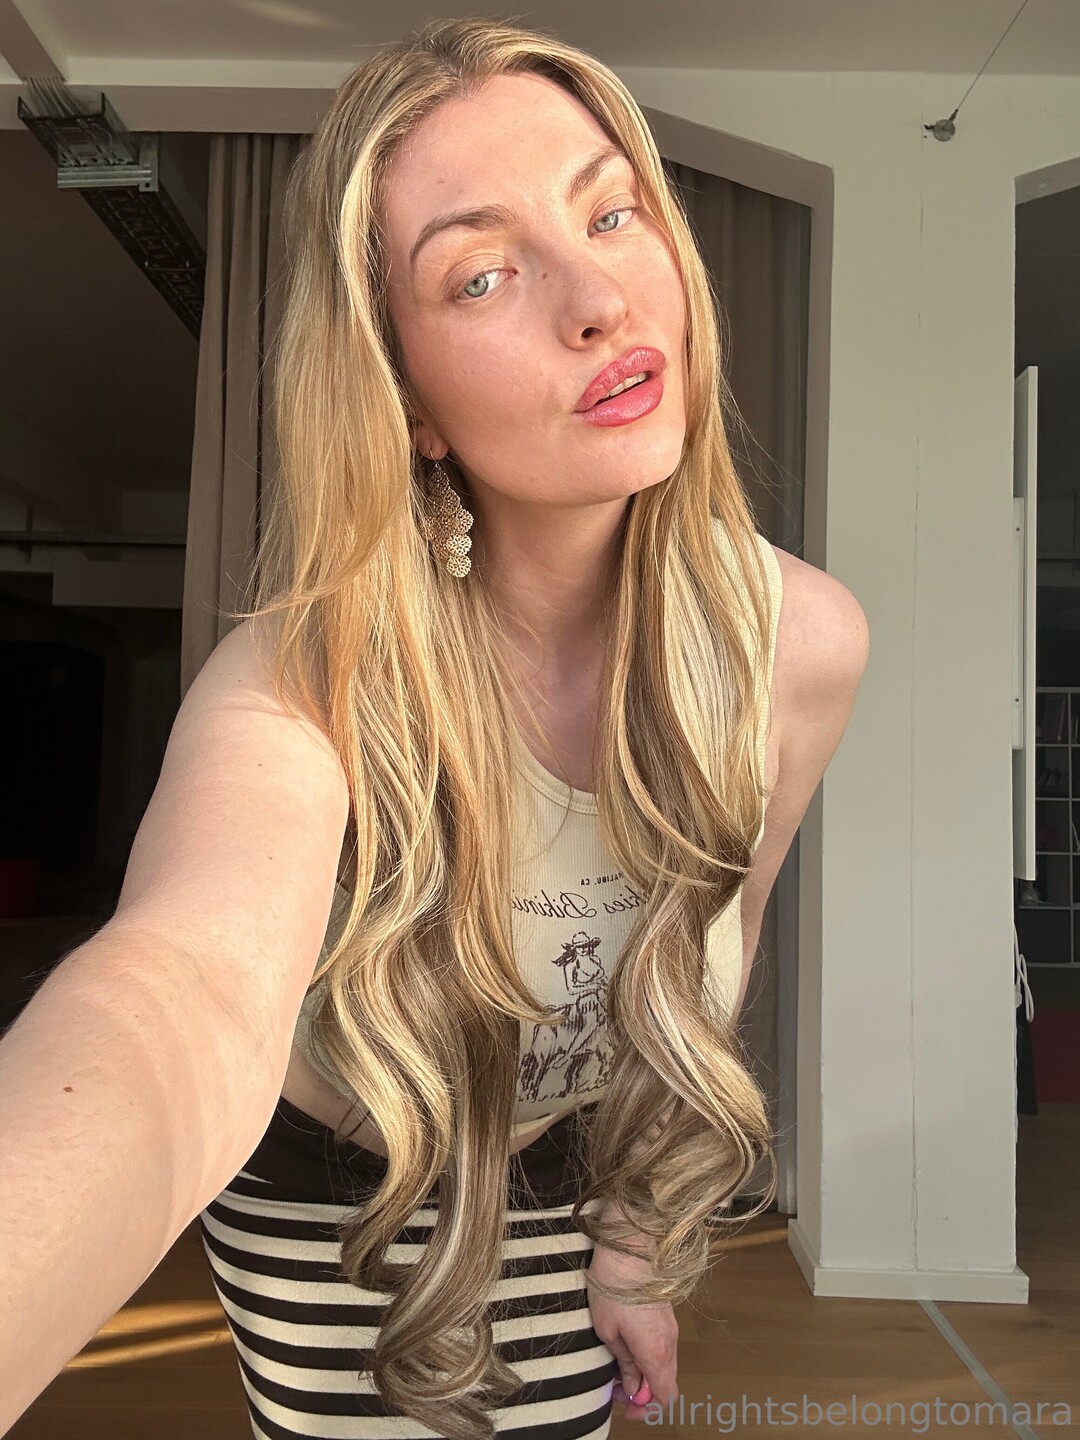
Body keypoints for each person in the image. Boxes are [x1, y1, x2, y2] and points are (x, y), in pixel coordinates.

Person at [0, 16, 869, 1440]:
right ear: (404, 398)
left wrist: (637, 1234)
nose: (598, 299)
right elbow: (179, 993)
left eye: (612, 213)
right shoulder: (303, 681)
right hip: (334, 1199)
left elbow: (717, 934)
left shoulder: (802, 645)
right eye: (480, 274)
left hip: (570, 1168)